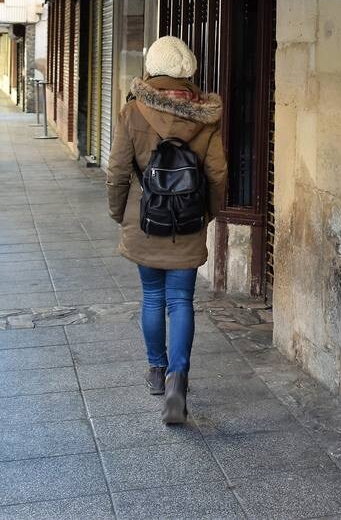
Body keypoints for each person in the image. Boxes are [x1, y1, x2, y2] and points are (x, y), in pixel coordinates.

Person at [106, 36, 226, 424]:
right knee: (181, 300)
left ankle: (157, 371)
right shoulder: (204, 116)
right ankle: (179, 378)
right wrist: (207, 215)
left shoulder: (131, 112)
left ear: (151, 70)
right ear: (188, 72)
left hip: (145, 220)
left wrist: (117, 211)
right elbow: (218, 174)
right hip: (188, 221)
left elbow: (117, 171)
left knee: (153, 297)